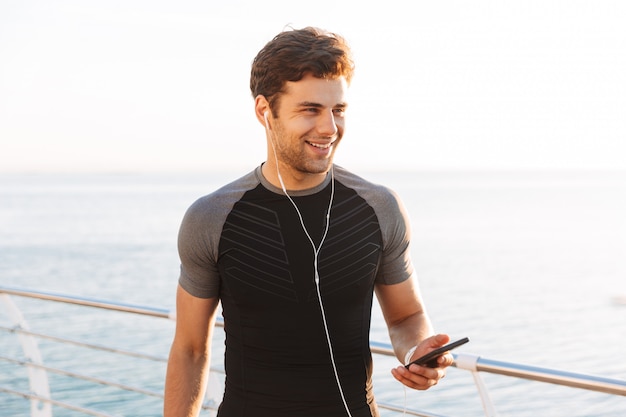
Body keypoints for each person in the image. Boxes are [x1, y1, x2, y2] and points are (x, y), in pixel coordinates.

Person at [164, 26, 453, 417]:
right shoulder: (211, 217)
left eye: (338, 110)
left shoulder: (379, 207)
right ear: (265, 111)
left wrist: (418, 350)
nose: (329, 128)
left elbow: (406, 317)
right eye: (310, 110)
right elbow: (190, 348)